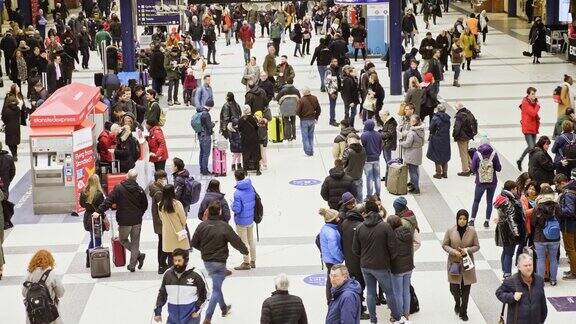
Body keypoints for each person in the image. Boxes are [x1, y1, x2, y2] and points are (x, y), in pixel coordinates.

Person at [190, 202, 249, 322]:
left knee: (217, 285)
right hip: (220, 262)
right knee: (216, 289)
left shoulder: (202, 226)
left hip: (207, 262)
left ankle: (223, 308)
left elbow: (194, 243)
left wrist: (204, 250)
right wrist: (245, 251)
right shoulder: (224, 226)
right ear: (220, 212)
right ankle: (208, 317)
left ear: (208, 212)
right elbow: (235, 240)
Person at [352, 200, 400, 323]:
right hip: (381, 265)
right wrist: (388, 259)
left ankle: (373, 319)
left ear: (365, 212)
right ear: (378, 211)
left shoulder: (359, 228)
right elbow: (393, 248)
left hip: (365, 265)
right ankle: (395, 316)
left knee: (370, 293)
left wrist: (364, 256)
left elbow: (355, 249)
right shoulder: (385, 226)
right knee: (389, 292)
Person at [94, 169, 148, 272]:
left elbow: (108, 201)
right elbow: (144, 205)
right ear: (136, 178)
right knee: (135, 242)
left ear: (127, 176)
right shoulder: (140, 190)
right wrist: (140, 214)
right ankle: (133, 264)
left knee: (123, 240)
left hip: (124, 221)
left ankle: (138, 256)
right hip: (137, 220)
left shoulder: (119, 188)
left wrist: (99, 211)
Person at [442, 209, 480, 322]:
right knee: (453, 289)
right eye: (460, 219)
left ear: (467, 220)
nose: (462, 221)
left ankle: (464, 311)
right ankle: (457, 302)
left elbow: (477, 246)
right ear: (457, 219)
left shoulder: (472, 231)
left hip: (467, 266)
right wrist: (454, 252)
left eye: (464, 219)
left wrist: (467, 250)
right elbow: (444, 245)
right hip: (454, 264)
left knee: (466, 290)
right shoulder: (450, 230)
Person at [154, 249, 207, 324]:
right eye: (175, 260)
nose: (176, 263)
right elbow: (162, 294)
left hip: (191, 317)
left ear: (186, 260)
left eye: (179, 260)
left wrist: (197, 310)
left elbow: (205, 294)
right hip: (172, 318)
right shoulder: (168, 274)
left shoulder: (196, 274)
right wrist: (158, 312)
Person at [496, 253, 548, 324]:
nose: (528, 267)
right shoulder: (511, 281)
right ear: (519, 267)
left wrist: (541, 320)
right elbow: (499, 293)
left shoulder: (539, 280)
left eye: (530, 265)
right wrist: (512, 297)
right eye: (525, 266)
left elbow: (543, 303)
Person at [22, 250, 65, 324]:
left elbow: (24, 293)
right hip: (50, 314)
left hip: (33, 314)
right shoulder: (52, 274)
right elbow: (60, 293)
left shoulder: (29, 274)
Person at [493, 180, 523, 279]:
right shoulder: (508, 201)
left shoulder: (500, 197)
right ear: (512, 189)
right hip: (508, 229)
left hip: (502, 227)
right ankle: (507, 273)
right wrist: (515, 230)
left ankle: (504, 270)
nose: (516, 191)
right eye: (515, 189)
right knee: (509, 253)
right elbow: (511, 217)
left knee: (505, 251)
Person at [531, 185, 561, 285]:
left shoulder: (538, 207)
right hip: (554, 236)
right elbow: (560, 218)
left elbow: (533, 222)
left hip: (540, 237)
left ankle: (540, 281)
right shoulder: (556, 206)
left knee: (540, 259)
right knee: (553, 259)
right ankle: (553, 280)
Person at [469, 136, 502, 228]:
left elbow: (473, 168)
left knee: (476, 200)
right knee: (489, 201)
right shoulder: (494, 154)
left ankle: (472, 220)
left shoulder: (477, 154)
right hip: (492, 182)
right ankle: (487, 221)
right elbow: (499, 168)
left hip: (480, 182)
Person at [388, 215, 414, 324]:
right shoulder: (408, 233)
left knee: (397, 293)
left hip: (397, 268)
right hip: (408, 266)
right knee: (406, 291)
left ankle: (398, 315)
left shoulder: (392, 236)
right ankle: (406, 313)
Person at [231, 170, 257, 270]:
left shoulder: (237, 193)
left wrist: (232, 205)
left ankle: (246, 262)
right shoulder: (251, 187)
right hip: (250, 218)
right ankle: (253, 260)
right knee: (251, 240)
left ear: (235, 178)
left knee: (244, 242)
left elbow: (237, 209)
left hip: (241, 221)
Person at [79, 174, 107, 268]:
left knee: (93, 237)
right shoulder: (99, 194)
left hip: (87, 217)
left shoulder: (84, 193)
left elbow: (82, 205)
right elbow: (102, 208)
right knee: (97, 238)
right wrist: (104, 219)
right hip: (97, 219)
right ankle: (94, 259)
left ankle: (89, 258)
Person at [158, 184, 190, 265]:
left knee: (170, 255)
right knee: (181, 253)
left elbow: (161, 218)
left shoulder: (160, 205)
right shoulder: (177, 204)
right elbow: (183, 219)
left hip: (167, 233)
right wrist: (182, 225)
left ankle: (172, 273)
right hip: (178, 232)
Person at [318, 207, 344, 303]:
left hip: (327, 258)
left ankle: (330, 298)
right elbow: (334, 250)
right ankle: (331, 298)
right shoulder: (331, 233)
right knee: (333, 280)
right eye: (337, 218)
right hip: (333, 260)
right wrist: (341, 257)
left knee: (330, 278)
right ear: (332, 219)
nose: (339, 219)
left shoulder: (325, 229)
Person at [148, 170, 169, 274]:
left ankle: (161, 264)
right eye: (163, 179)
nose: (165, 180)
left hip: (158, 222)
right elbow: (163, 209)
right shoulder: (159, 193)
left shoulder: (155, 188)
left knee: (161, 243)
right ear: (159, 180)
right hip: (162, 222)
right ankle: (161, 265)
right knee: (164, 244)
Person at [399, 115, 425, 194]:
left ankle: (416, 188)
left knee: (412, 172)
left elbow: (408, 144)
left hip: (411, 154)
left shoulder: (412, 133)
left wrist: (401, 143)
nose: (410, 121)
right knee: (415, 170)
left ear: (414, 122)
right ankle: (414, 186)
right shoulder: (421, 131)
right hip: (418, 152)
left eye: (411, 120)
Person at [517, 87, 541, 171]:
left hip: (533, 127)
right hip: (527, 128)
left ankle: (530, 164)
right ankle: (520, 160)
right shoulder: (525, 103)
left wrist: (535, 104)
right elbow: (533, 113)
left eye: (534, 94)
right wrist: (537, 105)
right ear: (528, 94)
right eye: (532, 94)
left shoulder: (532, 102)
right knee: (531, 147)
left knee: (532, 147)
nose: (534, 95)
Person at [559, 170, 576, 280]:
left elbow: (569, 211)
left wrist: (558, 209)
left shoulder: (569, 193)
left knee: (570, 249)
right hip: (573, 225)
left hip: (568, 225)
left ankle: (574, 272)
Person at [453, 103, 477, 176]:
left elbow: (457, 128)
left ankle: (465, 170)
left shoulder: (460, 116)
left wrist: (454, 136)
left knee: (463, 154)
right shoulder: (468, 112)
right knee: (465, 152)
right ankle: (472, 167)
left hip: (462, 137)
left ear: (458, 108)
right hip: (468, 136)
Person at [427, 105, 451, 179]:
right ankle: (445, 172)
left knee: (436, 155)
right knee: (445, 154)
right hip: (446, 138)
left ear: (437, 109)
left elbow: (431, 128)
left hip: (436, 139)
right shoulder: (448, 118)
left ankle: (438, 173)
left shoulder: (435, 118)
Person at [295, 86, 321, 156]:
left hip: (304, 120)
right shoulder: (315, 98)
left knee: (305, 136)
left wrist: (301, 116)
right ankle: (311, 150)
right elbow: (318, 109)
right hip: (312, 120)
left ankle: (308, 151)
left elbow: (297, 111)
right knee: (311, 136)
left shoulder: (301, 100)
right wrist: (316, 117)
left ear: (303, 93)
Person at [1, 84, 24, 161]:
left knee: (10, 142)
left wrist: (6, 122)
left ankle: (14, 154)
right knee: (15, 141)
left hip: (9, 126)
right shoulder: (17, 109)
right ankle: (15, 154)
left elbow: (3, 117)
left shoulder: (6, 110)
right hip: (16, 125)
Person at [361, 120, 383, 197]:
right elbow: (381, 146)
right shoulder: (378, 134)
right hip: (376, 158)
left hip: (368, 160)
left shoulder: (364, 135)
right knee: (377, 177)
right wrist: (378, 154)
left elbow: (363, 147)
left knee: (369, 178)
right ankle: (378, 194)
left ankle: (369, 195)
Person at [238, 106, 262, 175]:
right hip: (253, 138)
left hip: (245, 139)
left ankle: (245, 170)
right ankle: (257, 170)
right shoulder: (254, 118)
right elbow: (256, 127)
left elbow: (239, 129)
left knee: (245, 154)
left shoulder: (241, 119)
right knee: (255, 153)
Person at [342, 135, 366, 201]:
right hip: (359, 175)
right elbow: (364, 161)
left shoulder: (348, 151)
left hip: (348, 176)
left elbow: (343, 163)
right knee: (359, 194)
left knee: (348, 196)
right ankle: (360, 207)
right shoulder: (363, 150)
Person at [196, 98, 215, 176]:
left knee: (202, 152)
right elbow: (209, 126)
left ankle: (201, 169)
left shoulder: (200, 111)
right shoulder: (206, 114)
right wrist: (213, 124)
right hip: (206, 136)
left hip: (200, 134)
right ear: (210, 107)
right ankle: (205, 170)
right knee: (206, 154)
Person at [325, 58, 341, 127]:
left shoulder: (336, 69)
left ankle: (332, 119)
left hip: (336, 90)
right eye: (334, 61)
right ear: (331, 62)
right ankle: (332, 120)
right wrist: (331, 92)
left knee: (333, 105)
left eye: (336, 61)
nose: (336, 62)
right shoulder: (329, 71)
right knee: (332, 106)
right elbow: (326, 83)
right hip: (332, 91)